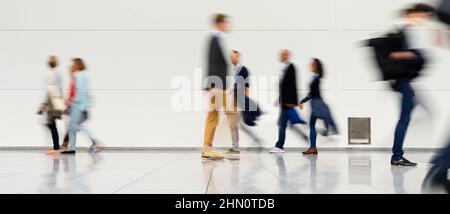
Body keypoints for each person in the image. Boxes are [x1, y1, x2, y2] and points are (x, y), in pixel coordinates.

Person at [388, 4, 435, 166]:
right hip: (403, 81)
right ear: (411, 13)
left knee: (408, 116)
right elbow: (392, 56)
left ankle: (397, 155)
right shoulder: (399, 30)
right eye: (422, 16)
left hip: (405, 82)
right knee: (404, 119)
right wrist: (414, 55)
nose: (423, 20)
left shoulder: (404, 30)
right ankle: (397, 156)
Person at [202, 13, 238, 160]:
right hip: (216, 85)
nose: (228, 25)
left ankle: (208, 148)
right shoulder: (214, 39)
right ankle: (207, 148)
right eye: (226, 23)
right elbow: (211, 63)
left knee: (218, 115)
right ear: (219, 23)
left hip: (219, 86)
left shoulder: (219, 39)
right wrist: (213, 85)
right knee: (219, 115)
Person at [61, 58, 101, 154]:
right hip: (80, 104)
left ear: (77, 65)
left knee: (75, 126)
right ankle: (72, 148)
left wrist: (72, 101)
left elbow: (81, 92)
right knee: (73, 126)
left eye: (72, 64)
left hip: (78, 105)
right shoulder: (82, 76)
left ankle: (94, 141)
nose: (71, 66)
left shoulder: (79, 76)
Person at [299, 58, 338, 155]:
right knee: (311, 125)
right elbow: (312, 93)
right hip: (316, 103)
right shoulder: (315, 77)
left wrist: (303, 101)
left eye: (311, 64)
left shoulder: (316, 79)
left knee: (311, 125)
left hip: (317, 104)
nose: (309, 66)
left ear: (315, 66)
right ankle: (314, 146)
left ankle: (317, 141)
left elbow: (312, 94)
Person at [270, 49, 302, 154]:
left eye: (282, 55)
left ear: (287, 56)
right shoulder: (285, 68)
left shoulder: (291, 68)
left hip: (287, 103)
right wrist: (279, 98)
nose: (280, 56)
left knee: (282, 123)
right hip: (285, 102)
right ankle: (306, 138)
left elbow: (293, 86)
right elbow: (285, 87)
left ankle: (279, 146)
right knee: (287, 123)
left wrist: (292, 101)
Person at [37, 56, 65, 154]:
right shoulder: (58, 73)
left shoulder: (49, 73)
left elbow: (50, 89)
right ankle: (57, 146)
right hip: (56, 99)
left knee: (51, 124)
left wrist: (44, 104)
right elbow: (59, 88)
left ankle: (57, 147)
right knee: (51, 124)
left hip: (52, 100)